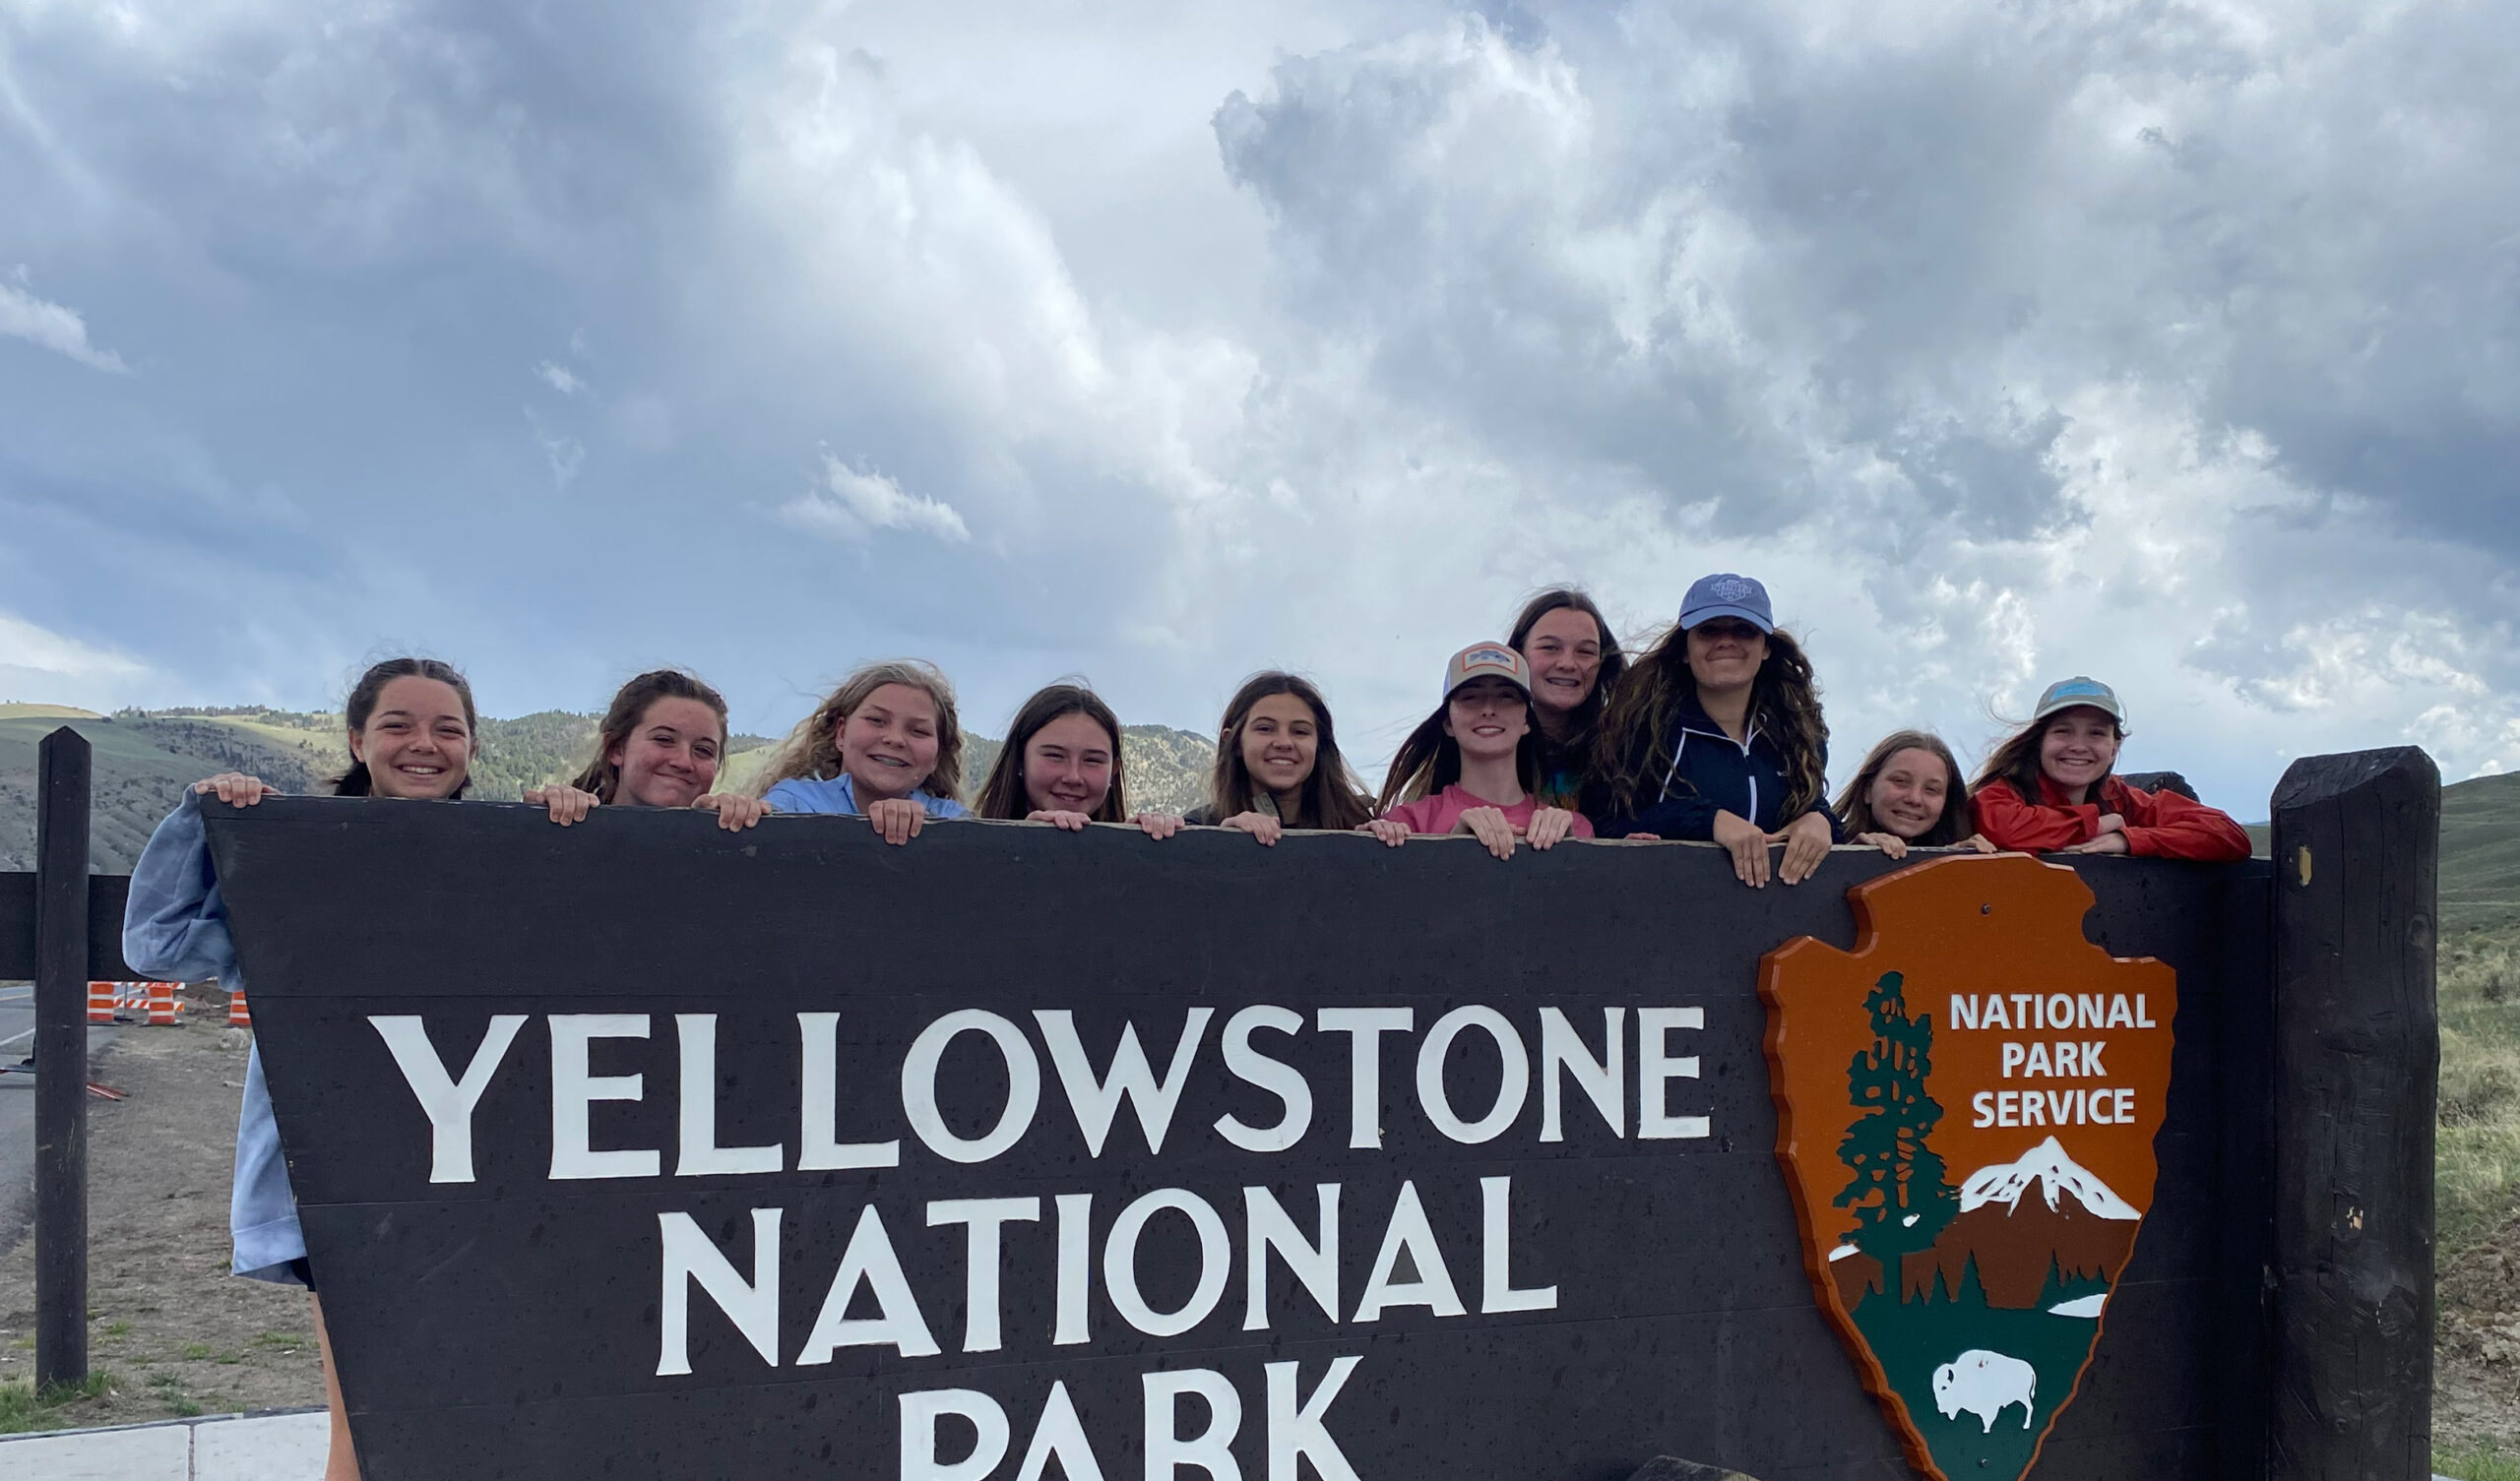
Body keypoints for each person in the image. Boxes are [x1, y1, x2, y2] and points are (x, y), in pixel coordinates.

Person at [121, 656, 540, 1481]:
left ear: (473, 746)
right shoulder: (293, 857)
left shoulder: (508, 858)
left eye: (447, 728)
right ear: (358, 738)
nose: (424, 744)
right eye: (398, 724)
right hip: (343, 1178)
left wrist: (574, 826)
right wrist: (205, 817)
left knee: (477, 1404)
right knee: (368, 1423)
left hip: (489, 1175)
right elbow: (156, 946)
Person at [1589, 573, 1839, 887]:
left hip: (1776, 923)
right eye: (1708, 630)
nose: (1726, 641)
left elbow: (1814, 809)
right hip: (1660, 916)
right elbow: (1604, 824)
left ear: (1766, 648)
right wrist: (1710, 821)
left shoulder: (1799, 736)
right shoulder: (1641, 730)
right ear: (1684, 649)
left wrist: (1821, 821)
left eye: (1744, 630)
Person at [1969, 677, 2250, 860]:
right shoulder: (2003, 793)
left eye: (2096, 733)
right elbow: (2004, 830)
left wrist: (2128, 839)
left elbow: (2228, 835)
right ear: (2039, 742)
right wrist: (2099, 824)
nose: (2078, 746)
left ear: (2115, 746)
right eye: (2063, 731)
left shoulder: (2120, 797)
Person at [1368, 643, 1593, 860]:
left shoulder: (1574, 828)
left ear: (1527, 720)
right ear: (1448, 723)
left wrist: (1570, 856)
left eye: (1506, 696)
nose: (1488, 709)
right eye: (1470, 698)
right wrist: (1449, 852)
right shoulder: (1407, 823)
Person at [750, 660, 967, 845]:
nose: (895, 739)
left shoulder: (955, 822)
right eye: (876, 720)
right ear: (841, 733)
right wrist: (737, 813)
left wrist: (927, 828)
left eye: (919, 731)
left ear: (936, 758)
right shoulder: (795, 803)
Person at [520, 669, 769, 829]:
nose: (684, 762)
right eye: (664, 739)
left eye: (703, 750)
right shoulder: (564, 824)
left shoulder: (728, 847)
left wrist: (734, 832)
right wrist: (542, 821)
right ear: (616, 749)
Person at [1181, 672, 1374, 845]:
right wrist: (1219, 843)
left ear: (1320, 746)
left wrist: (1387, 839)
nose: (1284, 742)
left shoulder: (1358, 828)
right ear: (1234, 742)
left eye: (1300, 731)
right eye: (1265, 729)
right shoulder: (1194, 829)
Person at [972, 682, 1180, 837]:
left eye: (1092, 760)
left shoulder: (1127, 853)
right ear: (1019, 760)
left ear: (1113, 770)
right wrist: (1020, 840)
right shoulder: (965, 847)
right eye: (1055, 756)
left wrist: (1153, 845)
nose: (1073, 777)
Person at [1508, 588, 1626, 807]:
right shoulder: (1485, 742)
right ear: (1518, 654)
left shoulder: (1625, 750)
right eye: (1550, 648)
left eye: (1585, 651)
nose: (1567, 663)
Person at [1833, 729, 1995, 858]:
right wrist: (1848, 858)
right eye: (1900, 781)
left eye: (1931, 790)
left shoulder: (1954, 860)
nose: (1914, 799)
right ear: (1868, 789)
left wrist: (1953, 866)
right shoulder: (1821, 839)